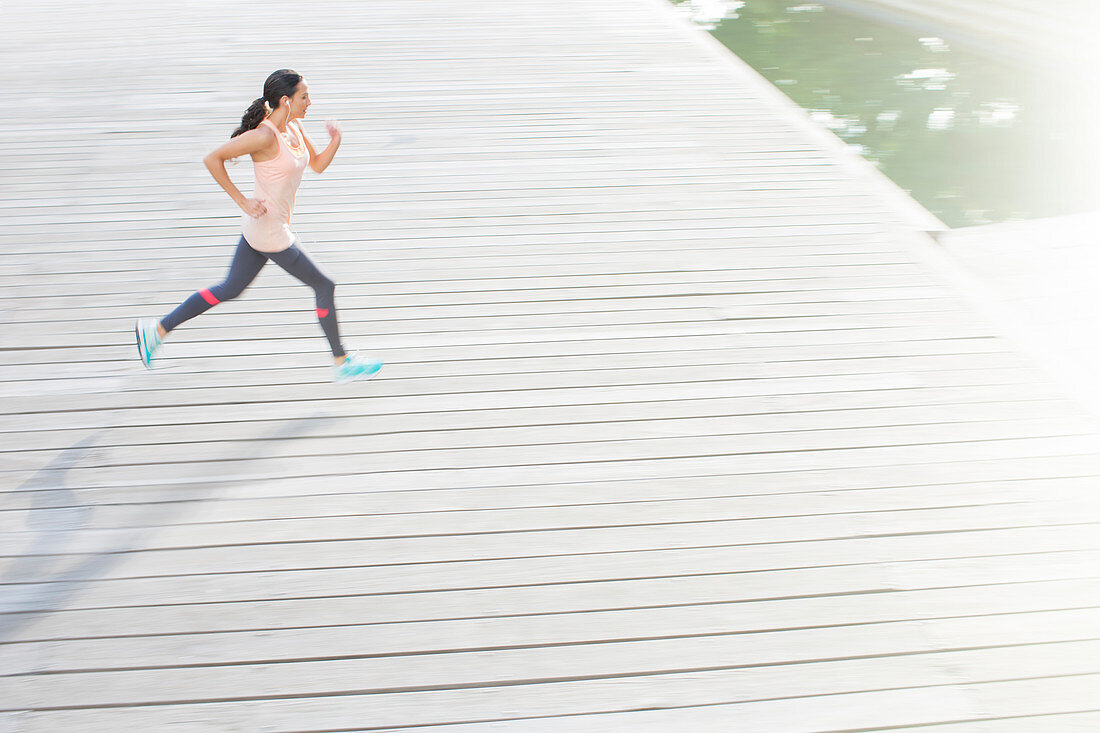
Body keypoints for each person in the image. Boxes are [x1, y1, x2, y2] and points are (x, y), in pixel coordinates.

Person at [135, 69, 382, 383]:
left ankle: (157, 330)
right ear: (285, 100)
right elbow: (213, 158)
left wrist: (336, 140)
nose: (310, 102)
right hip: (270, 232)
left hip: (262, 228)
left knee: (230, 288)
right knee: (324, 285)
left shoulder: (294, 125)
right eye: (304, 96)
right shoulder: (264, 136)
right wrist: (242, 201)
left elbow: (317, 164)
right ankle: (341, 361)